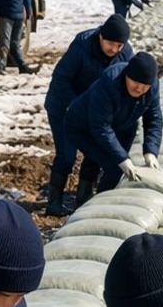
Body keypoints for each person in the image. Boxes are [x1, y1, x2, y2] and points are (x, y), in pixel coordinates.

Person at [42, 14, 134, 216]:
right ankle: (54, 202)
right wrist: (76, 107)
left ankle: (82, 200)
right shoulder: (83, 45)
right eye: (110, 44)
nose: (114, 50)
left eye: (119, 45)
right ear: (101, 36)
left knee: (95, 153)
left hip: (95, 110)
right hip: (64, 106)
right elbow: (61, 78)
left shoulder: (125, 53)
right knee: (67, 155)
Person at [61, 51, 163, 201]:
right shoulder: (109, 83)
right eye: (136, 83)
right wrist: (122, 159)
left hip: (122, 125)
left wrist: (150, 151)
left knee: (109, 162)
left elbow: (154, 119)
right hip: (83, 127)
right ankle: (94, 203)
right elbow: (101, 127)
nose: (140, 89)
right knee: (113, 165)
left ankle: (95, 197)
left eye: (145, 86)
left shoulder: (152, 87)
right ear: (127, 75)